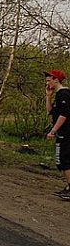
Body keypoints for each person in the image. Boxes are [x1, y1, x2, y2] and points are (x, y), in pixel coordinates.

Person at [44, 70, 70, 200]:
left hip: (66, 133)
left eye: (49, 80)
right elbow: (50, 111)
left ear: (56, 80)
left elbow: (64, 115)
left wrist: (53, 131)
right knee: (63, 161)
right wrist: (48, 96)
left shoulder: (64, 94)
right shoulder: (58, 94)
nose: (47, 83)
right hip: (62, 132)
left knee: (64, 161)